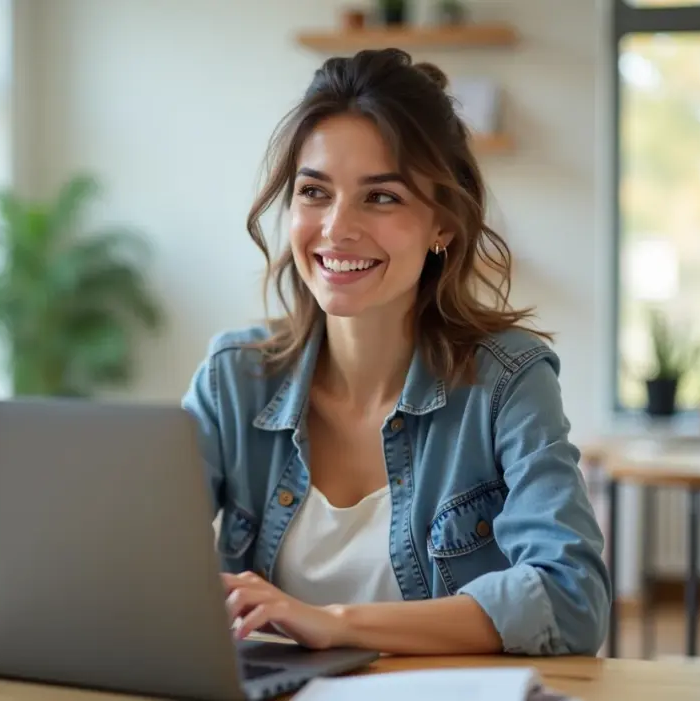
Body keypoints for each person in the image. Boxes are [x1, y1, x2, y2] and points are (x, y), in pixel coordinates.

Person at [182, 48, 610, 658]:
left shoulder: (508, 380)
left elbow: (571, 600)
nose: (336, 228)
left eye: (381, 197)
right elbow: (143, 567)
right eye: (314, 191)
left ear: (443, 225)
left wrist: (336, 623)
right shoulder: (233, 377)